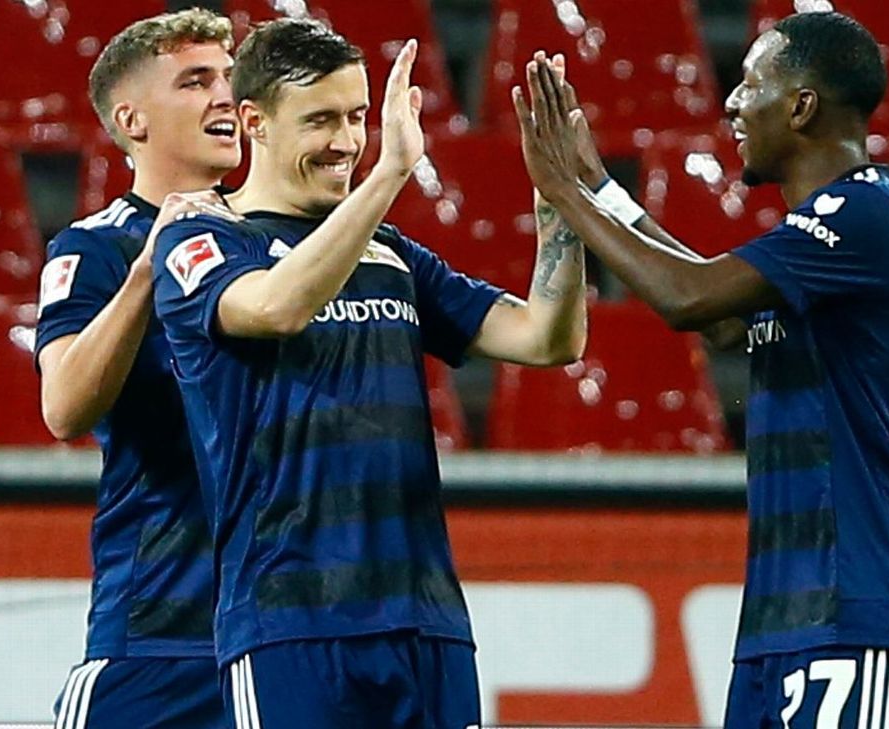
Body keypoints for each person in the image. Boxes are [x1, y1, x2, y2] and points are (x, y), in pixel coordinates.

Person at [515, 12, 889, 728]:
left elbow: (689, 297)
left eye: (751, 85)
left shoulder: (870, 213)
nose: (731, 104)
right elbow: (721, 318)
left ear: (801, 106)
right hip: (788, 613)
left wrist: (564, 192)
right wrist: (598, 186)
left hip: (863, 603)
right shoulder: (828, 237)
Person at [151, 18, 588, 728]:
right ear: (254, 122)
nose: (348, 142)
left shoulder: (390, 253)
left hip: (426, 621)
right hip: (290, 624)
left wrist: (559, 207)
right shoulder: (202, 237)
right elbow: (277, 306)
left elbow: (547, 337)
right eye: (320, 120)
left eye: (357, 117)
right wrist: (390, 173)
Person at [33, 8, 240, 728]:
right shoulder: (94, 249)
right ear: (133, 120)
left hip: (284, 628)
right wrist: (150, 270)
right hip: (158, 629)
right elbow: (63, 406)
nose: (226, 96)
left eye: (229, 77)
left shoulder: (278, 242)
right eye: (195, 81)